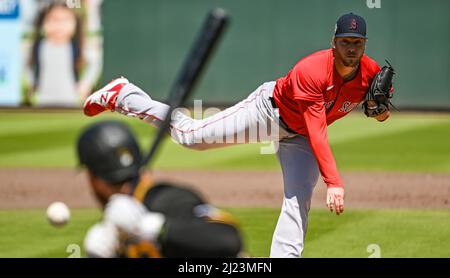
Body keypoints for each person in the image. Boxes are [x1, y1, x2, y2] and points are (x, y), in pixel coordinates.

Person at [82, 13, 394, 258]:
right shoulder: (311, 71)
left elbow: (381, 112)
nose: (351, 48)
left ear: (364, 43)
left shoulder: (371, 73)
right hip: (268, 113)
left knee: (298, 198)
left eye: (357, 42)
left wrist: (378, 109)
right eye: (346, 41)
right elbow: (317, 128)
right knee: (190, 136)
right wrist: (334, 183)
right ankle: (125, 95)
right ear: (334, 42)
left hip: (298, 138)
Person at [77, 120, 242, 258]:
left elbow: (228, 241)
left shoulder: (170, 199)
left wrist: (153, 227)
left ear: (94, 179)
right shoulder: (115, 223)